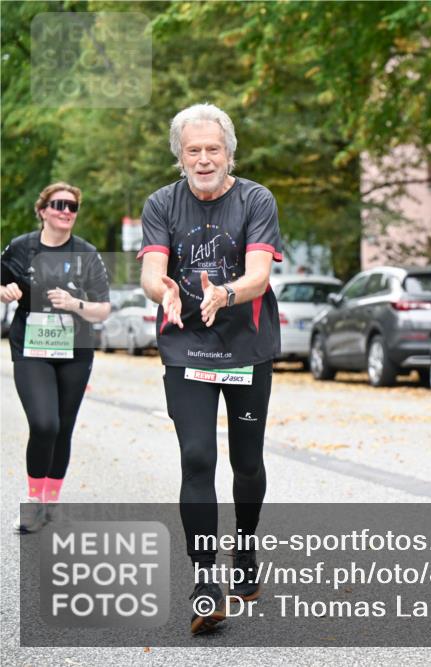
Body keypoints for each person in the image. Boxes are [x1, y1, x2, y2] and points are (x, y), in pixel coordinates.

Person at [138, 103, 284, 634]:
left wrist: (225, 293)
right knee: (197, 458)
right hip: (187, 346)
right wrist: (164, 292)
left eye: (212, 149)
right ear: (180, 156)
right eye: (193, 150)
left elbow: (259, 275)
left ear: (229, 154)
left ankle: (244, 547)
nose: (203, 159)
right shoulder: (162, 203)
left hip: (246, 347)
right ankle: (205, 582)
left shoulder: (255, 199)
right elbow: (152, 273)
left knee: (247, 462)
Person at [1, 182, 111, 533]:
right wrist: (5, 291)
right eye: (59, 205)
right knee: (44, 423)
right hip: (31, 347)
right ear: (43, 210)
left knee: (63, 427)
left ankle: (50, 502)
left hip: (75, 350)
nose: (66, 211)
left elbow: (102, 309)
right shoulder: (21, 247)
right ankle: (34, 501)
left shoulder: (86, 253)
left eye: (72, 207)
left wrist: (75, 303)